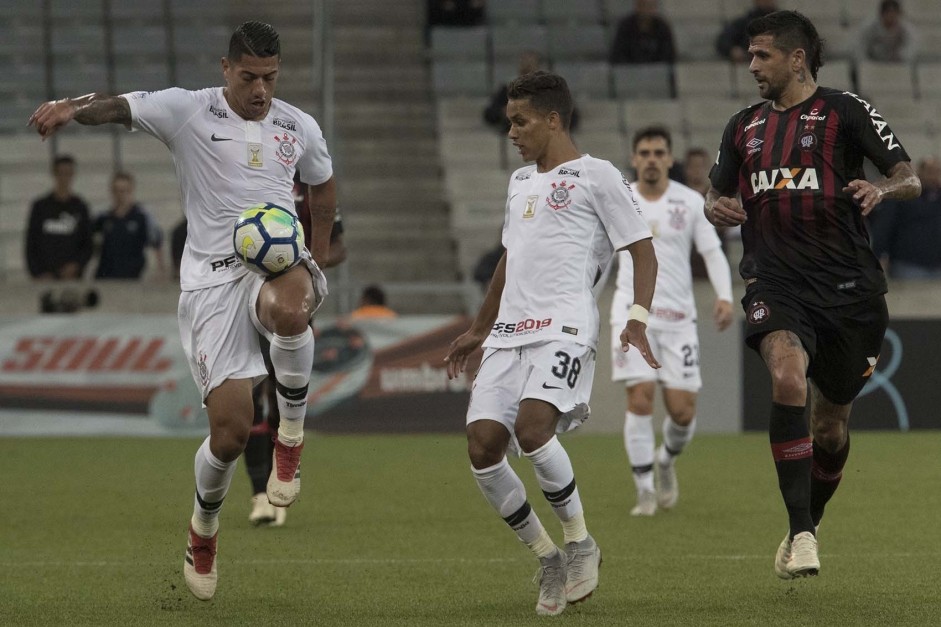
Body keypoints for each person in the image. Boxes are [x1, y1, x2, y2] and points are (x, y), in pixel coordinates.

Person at [29, 21, 338, 601]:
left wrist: (314, 266)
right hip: (209, 287)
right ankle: (203, 530)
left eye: (270, 78)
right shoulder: (188, 110)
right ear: (226, 69)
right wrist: (70, 108)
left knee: (294, 312)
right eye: (249, 77)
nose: (260, 91)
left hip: (272, 269)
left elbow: (323, 191)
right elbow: (119, 106)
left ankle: (291, 439)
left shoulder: (299, 126)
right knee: (228, 434)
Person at [706, 10, 920, 580]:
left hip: (850, 291)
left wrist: (881, 188)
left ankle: (810, 521)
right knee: (786, 378)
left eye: (762, 56)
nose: (751, 66)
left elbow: (910, 175)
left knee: (830, 427)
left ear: (797, 58)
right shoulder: (742, 125)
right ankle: (801, 534)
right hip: (777, 283)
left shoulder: (844, 110)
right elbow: (713, 194)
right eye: (750, 56)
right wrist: (715, 206)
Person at [445, 70, 659, 616]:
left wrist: (637, 316)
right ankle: (547, 557)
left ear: (554, 119)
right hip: (508, 333)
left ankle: (581, 541)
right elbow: (509, 260)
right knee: (481, 447)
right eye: (508, 122)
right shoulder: (519, 183)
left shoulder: (599, 176)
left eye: (520, 121)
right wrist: (477, 328)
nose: (511, 132)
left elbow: (641, 249)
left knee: (533, 429)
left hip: (563, 326)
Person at [612, 126, 733, 517]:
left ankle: (665, 460)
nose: (650, 158)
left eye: (658, 152)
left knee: (682, 412)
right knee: (640, 396)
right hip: (631, 315)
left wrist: (726, 296)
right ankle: (644, 488)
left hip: (679, 318)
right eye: (643, 152)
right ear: (634, 159)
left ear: (669, 159)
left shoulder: (689, 201)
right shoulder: (620, 199)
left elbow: (712, 251)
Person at [245, 175, 347, 528]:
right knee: (250, 399)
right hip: (245, 298)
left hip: (291, 302)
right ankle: (258, 494)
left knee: (281, 398)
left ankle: (280, 479)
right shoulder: (247, 175)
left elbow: (339, 247)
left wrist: (303, 261)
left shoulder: (313, 188)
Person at [868, 156, 941, 279]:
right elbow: (884, 225)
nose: (935, 176)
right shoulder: (904, 196)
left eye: (938, 171)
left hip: (936, 266)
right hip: (907, 265)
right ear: (920, 172)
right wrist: (878, 255)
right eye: (931, 171)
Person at [25, 154, 93, 280]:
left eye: (68, 173)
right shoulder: (40, 207)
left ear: (73, 174)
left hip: (72, 278)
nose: (64, 178)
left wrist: (76, 265)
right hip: (45, 278)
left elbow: (88, 244)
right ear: (54, 174)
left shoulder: (80, 207)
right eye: (61, 173)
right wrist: (38, 273)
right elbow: (31, 243)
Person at [483, 51, 579, 135]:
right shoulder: (507, 89)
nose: (526, 67)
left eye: (530, 65)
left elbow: (572, 117)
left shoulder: (552, 90)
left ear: (538, 67)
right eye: (523, 64)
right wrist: (504, 112)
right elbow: (490, 114)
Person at [92, 171, 164, 279]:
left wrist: (160, 270)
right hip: (106, 276)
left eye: (124, 191)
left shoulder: (141, 218)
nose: (120, 195)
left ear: (131, 191)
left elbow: (156, 242)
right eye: (117, 191)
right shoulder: (103, 218)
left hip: (132, 277)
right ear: (112, 192)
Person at [683, 147, 730, 279]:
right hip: (685, 268)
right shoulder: (677, 200)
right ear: (686, 169)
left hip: (712, 269)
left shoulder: (719, 198)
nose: (697, 170)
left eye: (701, 165)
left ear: (709, 168)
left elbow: (724, 226)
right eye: (693, 166)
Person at [608, 0, 676, 65]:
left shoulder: (662, 28)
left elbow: (668, 56)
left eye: (650, 6)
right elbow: (618, 55)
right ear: (637, 5)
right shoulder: (625, 27)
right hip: (629, 73)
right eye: (643, 5)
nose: (646, 10)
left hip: (656, 73)